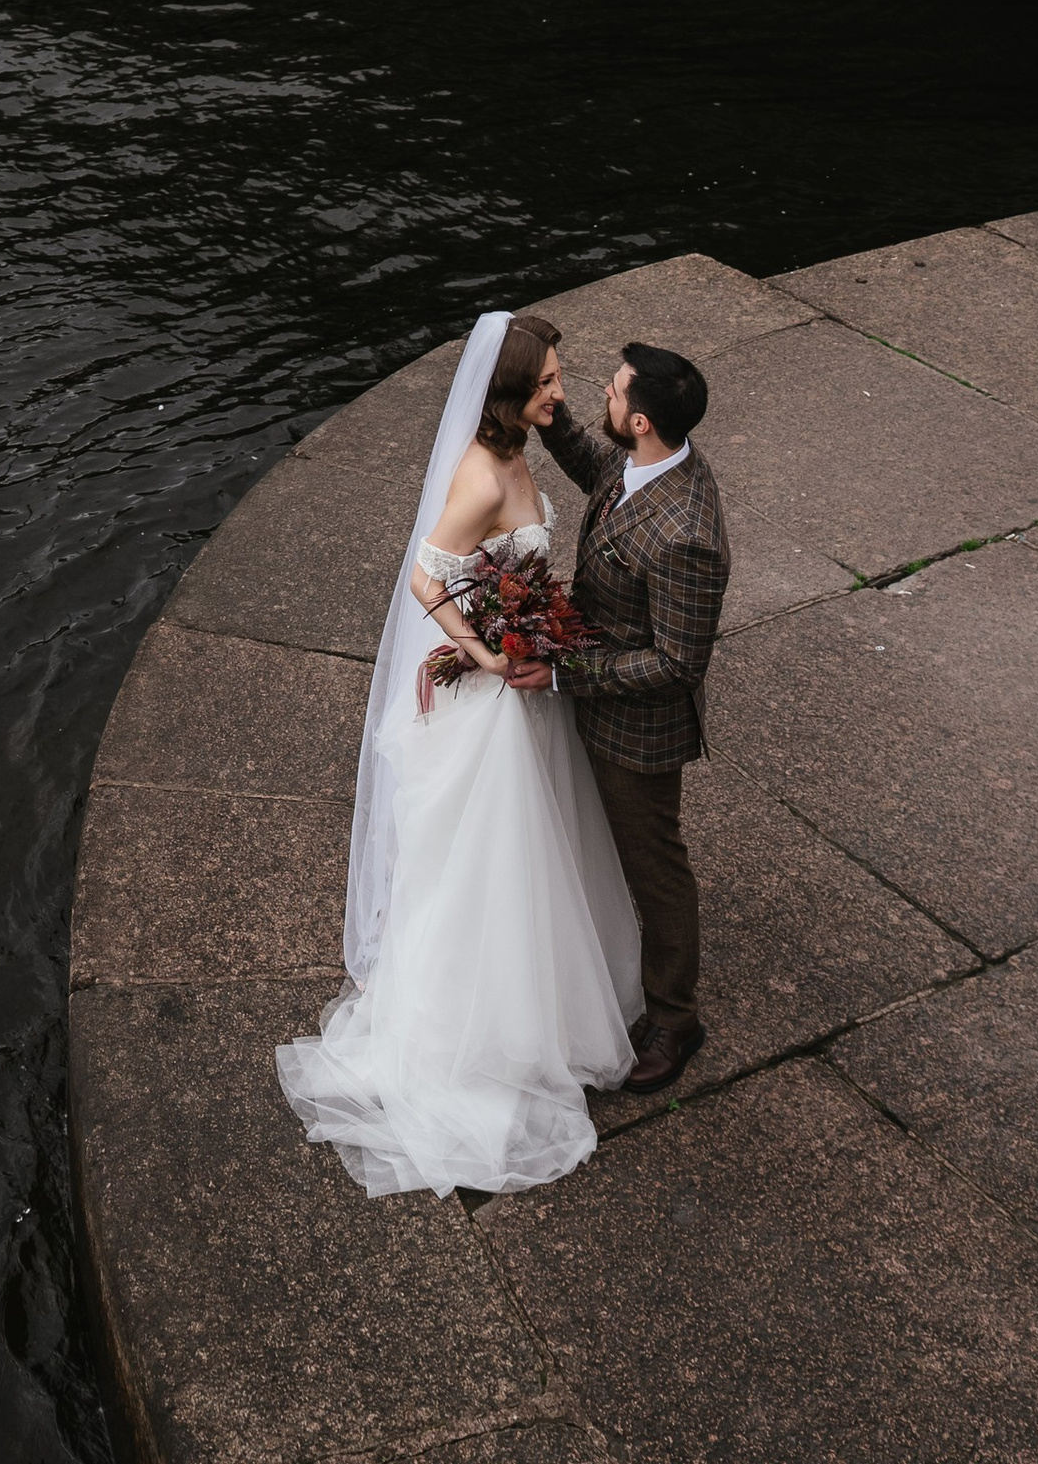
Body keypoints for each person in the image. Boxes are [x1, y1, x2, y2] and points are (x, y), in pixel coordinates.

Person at [276, 311, 641, 1199]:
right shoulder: (481, 475)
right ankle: (481, 1035)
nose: (562, 391)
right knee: (491, 863)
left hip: (527, 690)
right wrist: (482, 652)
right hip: (494, 703)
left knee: (535, 853)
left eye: (559, 377)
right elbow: (425, 576)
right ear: (512, 392)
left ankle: (542, 1010)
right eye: (550, 381)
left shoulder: (517, 449)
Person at [507, 340, 728, 1092]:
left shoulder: (687, 534)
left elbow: (676, 663)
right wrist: (547, 412)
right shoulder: (641, 459)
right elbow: (595, 468)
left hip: (637, 731)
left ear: (639, 419)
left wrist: (567, 670)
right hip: (592, 690)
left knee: (655, 868)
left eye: (609, 389)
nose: (598, 391)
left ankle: (676, 1017)